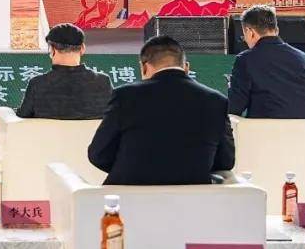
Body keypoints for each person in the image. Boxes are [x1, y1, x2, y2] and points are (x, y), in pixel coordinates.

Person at [88, 36, 235, 185]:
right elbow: (226, 161)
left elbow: (98, 154)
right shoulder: (217, 100)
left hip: (130, 193)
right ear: (186, 68)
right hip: (193, 196)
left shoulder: (125, 96)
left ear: (144, 67)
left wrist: (130, 168)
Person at [228, 4, 305, 119]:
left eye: (244, 36)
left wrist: (232, 87)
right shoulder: (302, 57)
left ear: (250, 32)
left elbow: (235, 108)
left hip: (266, 129)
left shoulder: (245, 59)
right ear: (276, 30)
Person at [17, 23, 112, 119]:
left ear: (52, 50)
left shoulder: (37, 84)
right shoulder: (103, 82)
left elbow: (23, 116)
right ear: (83, 48)